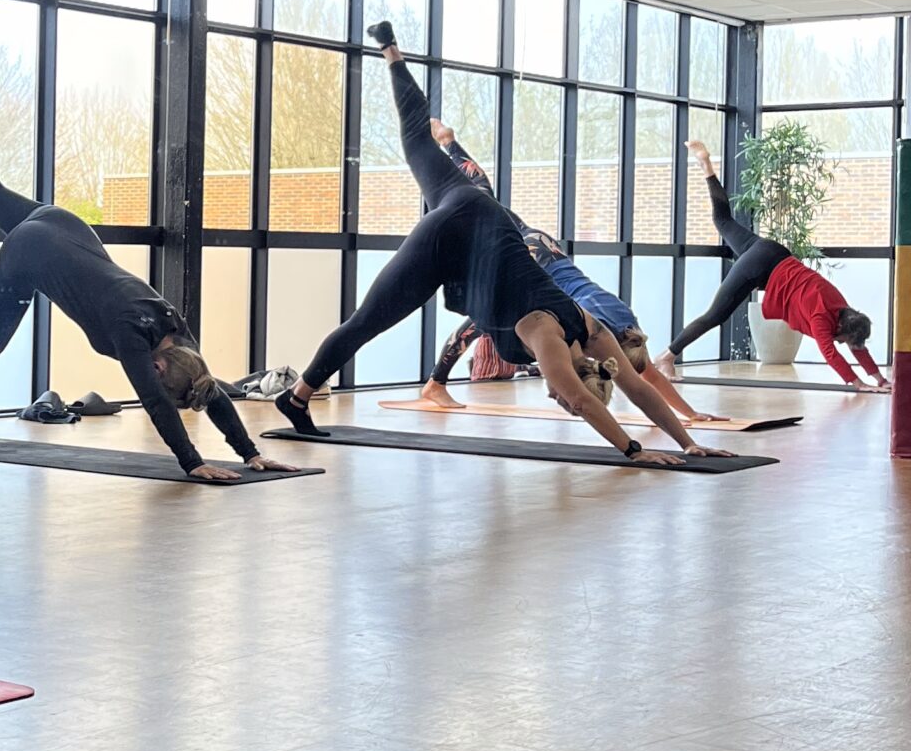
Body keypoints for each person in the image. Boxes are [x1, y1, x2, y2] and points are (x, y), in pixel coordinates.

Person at [272, 28, 724, 465]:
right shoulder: (549, 341)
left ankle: (391, 51)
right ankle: (297, 397)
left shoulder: (594, 331)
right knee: (366, 322)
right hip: (450, 241)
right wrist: (634, 450)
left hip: (481, 211)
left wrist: (689, 443)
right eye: (560, 395)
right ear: (574, 375)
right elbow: (582, 402)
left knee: (417, 144)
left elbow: (638, 388)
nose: (556, 397)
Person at [0, 101, 268, 483]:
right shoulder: (132, 334)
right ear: (157, 368)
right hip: (32, 250)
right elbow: (156, 402)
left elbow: (209, 389)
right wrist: (192, 463)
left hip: (63, 225)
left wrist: (250, 453)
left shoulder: (181, 341)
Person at [418, 124, 719, 429]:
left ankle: (448, 142)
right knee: (482, 315)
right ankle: (436, 383)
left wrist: (690, 413)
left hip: (545, 248)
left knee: (485, 200)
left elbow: (648, 376)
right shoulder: (596, 329)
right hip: (534, 263)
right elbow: (642, 381)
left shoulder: (630, 329)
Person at [657, 140, 889, 390]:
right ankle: (666, 357)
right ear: (841, 326)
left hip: (772, 251)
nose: (841, 342)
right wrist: (858, 384)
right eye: (842, 339)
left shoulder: (842, 308)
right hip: (761, 267)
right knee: (715, 315)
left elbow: (857, 347)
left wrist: (881, 380)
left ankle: (706, 165)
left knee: (723, 221)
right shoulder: (822, 318)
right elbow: (830, 354)